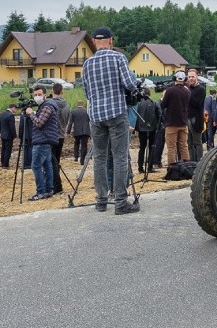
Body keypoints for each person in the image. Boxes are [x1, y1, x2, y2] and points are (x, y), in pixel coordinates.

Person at [82, 27, 140, 215]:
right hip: (116, 113)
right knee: (120, 156)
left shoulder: (87, 64)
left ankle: (101, 201)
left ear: (93, 41)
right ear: (111, 40)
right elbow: (129, 84)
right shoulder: (118, 58)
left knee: (99, 158)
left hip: (96, 116)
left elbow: (87, 92)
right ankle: (121, 201)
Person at [24, 84, 58, 201]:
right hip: (46, 140)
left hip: (42, 140)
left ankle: (41, 192)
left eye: (39, 94)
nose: (37, 97)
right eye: (35, 95)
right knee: (47, 165)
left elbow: (39, 123)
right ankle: (49, 190)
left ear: (44, 95)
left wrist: (31, 114)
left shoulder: (46, 107)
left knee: (36, 166)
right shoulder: (46, 106)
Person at [161, 70, 191, 167]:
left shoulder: (169, 91)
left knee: (171, 147)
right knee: (184, 146)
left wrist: (163, 97)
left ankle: (172, 168)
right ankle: (187, 166)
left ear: (174, 79)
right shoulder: (187, 91)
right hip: (183, 123)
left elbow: (163, 105)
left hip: (171, 124)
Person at [50, 83, 71, 195]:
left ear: (52, 91)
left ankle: (56, 185)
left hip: (52, 135)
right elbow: (68, 119)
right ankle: (56, 183)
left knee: (51, 161)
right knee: (56, 160)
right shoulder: (67, 105)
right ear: (62, 91)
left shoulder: (50, 104)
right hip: (61, 135)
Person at [134, 88, 162, 173]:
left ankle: (140, 168)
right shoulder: (154, 103)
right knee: (151, 147)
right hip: (152, 128)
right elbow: (160, 115)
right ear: (149, 94)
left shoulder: (138, 104)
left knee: (142, 148)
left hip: (141, 129)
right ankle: (149, 167)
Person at [186, 69, 206, 162]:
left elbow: (197, 103)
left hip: (196, 120)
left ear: (196, 77)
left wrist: (187, 94)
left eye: (192, 77)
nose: (191, 79)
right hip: (187, 119)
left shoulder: (201, 89)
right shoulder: (187, 89)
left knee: (197, 142)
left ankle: (199, 162)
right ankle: (192, 162)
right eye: (189, 77)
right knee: (189, 143)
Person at [67, 100, 90, 165]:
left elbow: (70, 122)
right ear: (82, 104)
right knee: (84, 145)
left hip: (77, 131)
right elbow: (90, 121)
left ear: (77, 104)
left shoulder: (74, 111)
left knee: (76, 143)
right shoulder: (87, 111)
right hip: (86, 131)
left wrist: (68, 131)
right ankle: (82, 161)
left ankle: (76, 157)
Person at [0, 104, 17, 168]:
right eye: (15, 109)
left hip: (3, 134)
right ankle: (6, 164)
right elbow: (12, 127)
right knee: (8, 150)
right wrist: (14, 136)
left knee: (3, 149)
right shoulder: (11, 115)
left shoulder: (2, 114)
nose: (15, 110)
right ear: (12, 108)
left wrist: (1, 131)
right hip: (9, 135)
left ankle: (3, 163)